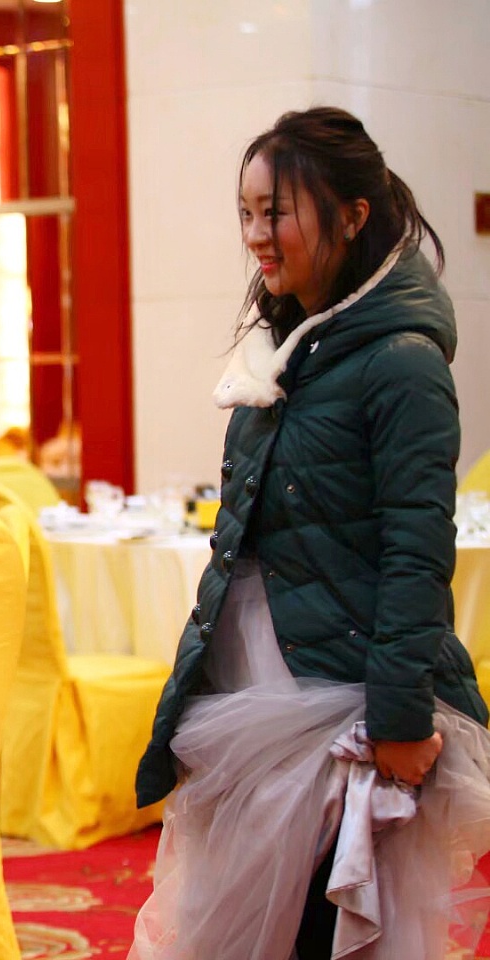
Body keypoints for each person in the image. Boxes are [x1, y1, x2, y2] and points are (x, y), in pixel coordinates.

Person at [131, 107, 490, 960]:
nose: (257, 235)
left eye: (277, 212)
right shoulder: (289, 346)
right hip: (260, 682)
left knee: (326, 928)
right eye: (247, 212)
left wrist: (399, 716)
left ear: (354, 215)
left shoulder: (401, 362)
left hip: (343, 693)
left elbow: (416, 554)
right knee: (244, 923)